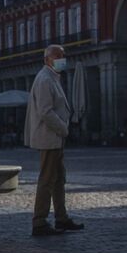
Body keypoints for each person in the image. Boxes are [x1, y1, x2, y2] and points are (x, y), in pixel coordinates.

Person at [27, 44, 83, 236]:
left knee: (59, 179)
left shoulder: (52, 78)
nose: (61, 59)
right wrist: (63, 127)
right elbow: (45, 111)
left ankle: (61, 218)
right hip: (49, 137)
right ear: (47, 59)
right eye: (57, 56)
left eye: (63, 55)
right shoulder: (44, 80)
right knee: (47, 179)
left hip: (55, 138)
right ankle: (39, 221)